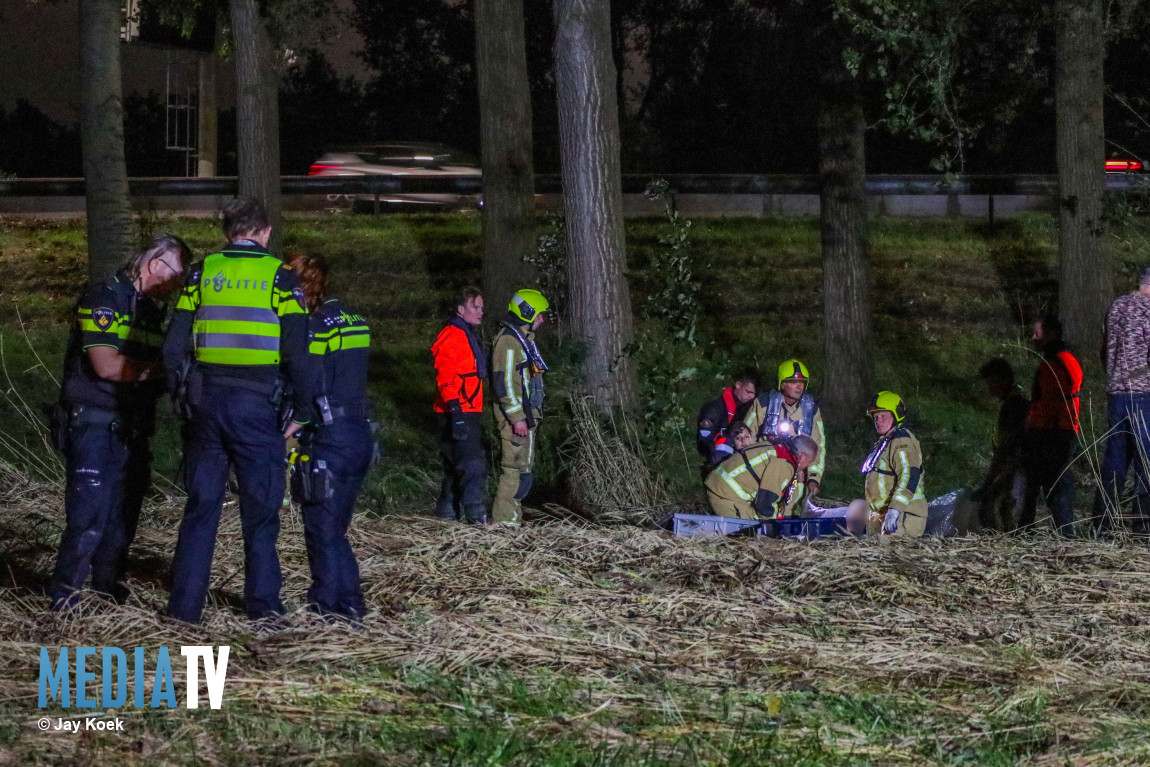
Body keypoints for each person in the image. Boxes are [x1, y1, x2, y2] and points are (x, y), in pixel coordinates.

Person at [162, 197, 316, 623]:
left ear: (228, 232)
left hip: (206, 403)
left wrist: (183, 396)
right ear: (264, 232)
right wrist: (302, 411)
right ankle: (262, 607)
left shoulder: (202, 272)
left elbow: (173, 347)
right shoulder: (281, 278)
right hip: (257, 407)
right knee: (261, 509)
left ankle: (183, 608)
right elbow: (298, 354)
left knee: (201, 507)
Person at [49, 234, 189, 608]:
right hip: (95, 422)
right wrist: (162, 371)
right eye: (175, 276)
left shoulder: (147, 311)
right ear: (155, 263)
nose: (175, 286)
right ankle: (65, 598)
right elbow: (107, 366)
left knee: (121, 521)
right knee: (88, 518)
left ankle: (105, 591)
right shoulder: (106, 298)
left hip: (132, 428)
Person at [286, 253, 371, 621]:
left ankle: (334, 606)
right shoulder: (356, 320)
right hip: (359, 435)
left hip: (329, 437)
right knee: (336, 526)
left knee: (322, 527)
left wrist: (296, 419)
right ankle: (346, 602)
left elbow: (309, 378)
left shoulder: (316, 325)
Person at [1095, 268, 1150, 534]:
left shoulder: (1115, 306)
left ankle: (1103, 525)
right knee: (1146, 462)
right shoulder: (1147, 309)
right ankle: (1143, 527)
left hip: (1116, 394)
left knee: (1115, 460)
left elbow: (1104, 350)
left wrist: (1116, 376)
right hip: (1144, 394)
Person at [1019, 315, 1082, 536]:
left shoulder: (1058, 362)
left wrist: (1039, 427)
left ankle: (1064, 532)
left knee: (1055, 484)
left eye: (1037, 333)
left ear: (1051, 334)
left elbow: (1056, 401)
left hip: (1054, 433)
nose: (1033, 338)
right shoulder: (1056, 360)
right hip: (1051, 431)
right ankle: (1027, 528)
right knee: (1040, 483)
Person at [491, 289, 549, 526]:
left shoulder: (522, 340)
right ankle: (505, 524)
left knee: (523, 472)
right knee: (514, 472)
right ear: (528, 313)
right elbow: (503, 382)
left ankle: (513, 519)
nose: (542, 320)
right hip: (517, 420)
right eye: (540, 315)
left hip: (527, 416)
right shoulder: (508, 341)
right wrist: (517, 418)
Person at [432, 286, 487, 524]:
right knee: (472, 465)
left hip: (465, 408)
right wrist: (456, 411)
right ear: (461, 309)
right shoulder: (452, 336)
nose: (481, 311)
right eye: (476, 306)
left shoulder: (464, 334)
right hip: (457, 409)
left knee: (457, 465)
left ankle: (446, 514)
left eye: (482, 307)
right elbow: (445, 376)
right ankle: (475, 515)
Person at [743, 359, 826, 500]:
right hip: (766, 470)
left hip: (796, 476)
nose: (799, 387)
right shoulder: (764, 403)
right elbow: (746, 437)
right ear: (782, 383)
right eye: (793, 382)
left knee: (788, 516)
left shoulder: (811, 410)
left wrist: (813, 477)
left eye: (802, 383)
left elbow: (818, 446)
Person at [704, 430, 819, 520]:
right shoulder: (784, 463)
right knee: (751, 533)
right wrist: (775, 531)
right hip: (725, 496)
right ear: (802, 456)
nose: (806, 466)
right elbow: (765, 503)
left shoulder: (776, 448)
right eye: (809, 462)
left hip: (719, 486)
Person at [972, 358, 1029, 532]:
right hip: (1019, 465)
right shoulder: (1018, 401)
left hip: (1018, 466)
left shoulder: (1013, 406)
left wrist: (988, 482)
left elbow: (1005, 447)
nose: (989, 388)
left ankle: (1002, 540)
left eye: (992, 382)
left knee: (997, 503)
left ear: (1003, 380)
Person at [861, 391, 927, 537]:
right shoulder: (886, 441)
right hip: (884, 516)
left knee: (889, 557)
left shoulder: (901, 441)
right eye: (876, 417)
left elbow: (909, 475)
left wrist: (895, 509)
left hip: (903, 516)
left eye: (883, 416)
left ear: (896, 415)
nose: (878, 420)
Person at [696, 368, 758, 469]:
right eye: (748, 392)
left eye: (754, 394)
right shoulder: (716, 408)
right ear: (738, 385)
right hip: (718, 461)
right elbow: (704, 442)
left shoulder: (747, 407)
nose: (752, 397)